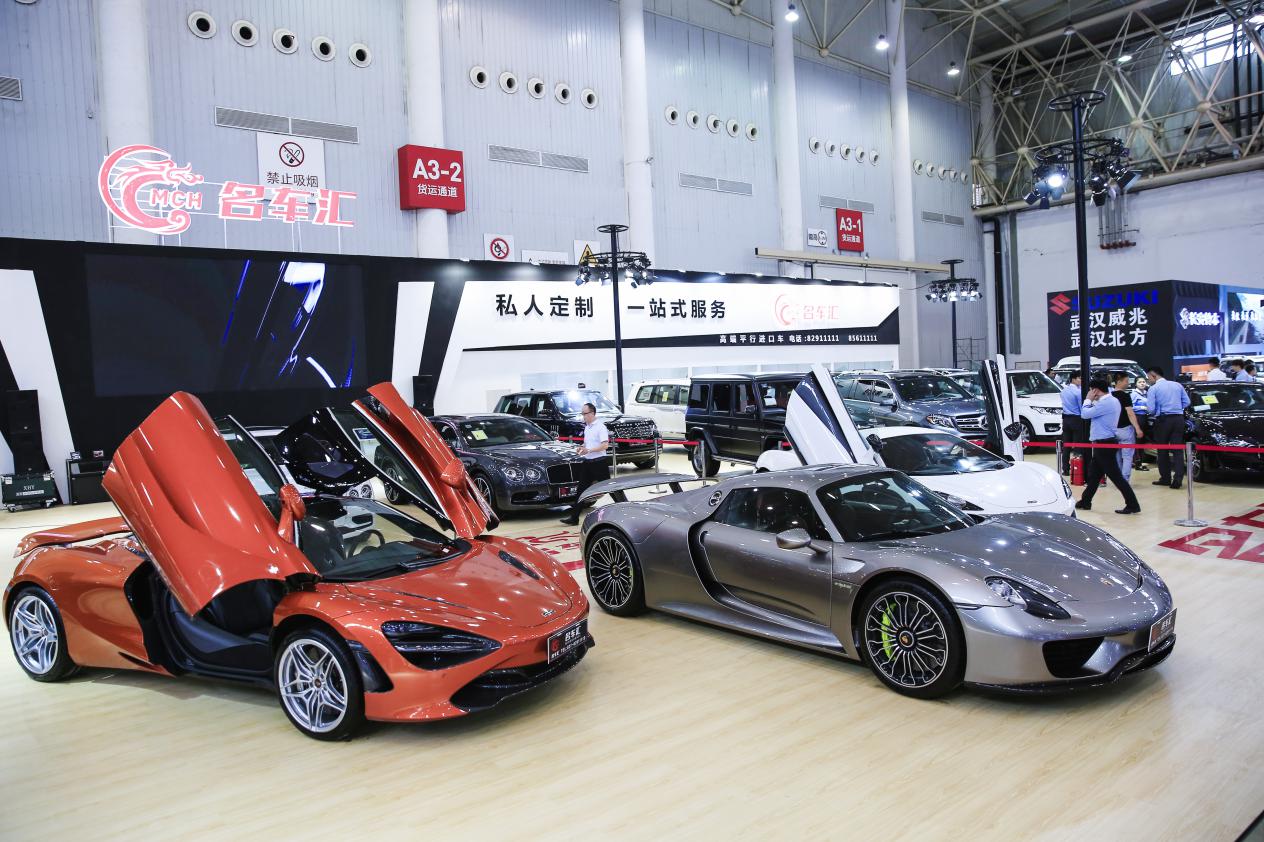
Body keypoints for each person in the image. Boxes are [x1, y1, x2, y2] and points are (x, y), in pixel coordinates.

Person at [1075, 376, 1141, 515]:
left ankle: (1133, 504)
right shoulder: (1112, 401)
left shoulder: (1106, 403)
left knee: (1116, 476)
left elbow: (1084, 414)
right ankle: (1085, 501)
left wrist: (1088, 399)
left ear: (1096, 390)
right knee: (1094, 475)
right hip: (1104, 443)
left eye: (1091, 390)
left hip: (1104, 444)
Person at [560, 402, 610, 525]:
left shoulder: (600, 427)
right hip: (588, 462)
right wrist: (582, 447)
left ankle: (626, 507)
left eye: (585, 413)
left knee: (611, 488)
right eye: (582, 413)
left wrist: (589, 450)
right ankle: (574, 518)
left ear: (592, 413)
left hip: (599, 463)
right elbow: (588, 443)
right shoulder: (587, 427)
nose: (583, 416)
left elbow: (605, 445)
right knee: (581, 490)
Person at [1146, 365, 1190, 489]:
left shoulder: (1153, 388)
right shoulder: (1177, 385)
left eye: (1149, 377)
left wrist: (1157, 411)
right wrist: (1177, 408)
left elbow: (1151, 409)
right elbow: (1187, 402)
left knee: (1162, 450)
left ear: (1154, 375)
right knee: (1177, 450)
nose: (1148, 379)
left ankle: (1165, 478)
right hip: (1178, 419)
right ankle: (1178, 479)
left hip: (1163, 420)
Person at [1111, 371, 1143, 483]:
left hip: (1113, 430)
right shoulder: (1125, 396)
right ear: (1119, 381)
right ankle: (1125, 480)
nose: (1128, 383)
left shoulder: (1109, 396)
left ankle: (1118, 480)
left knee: (1117, 456)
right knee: (1127, 456)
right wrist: (1137, 428)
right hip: (1125, 429)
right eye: (1126, 381)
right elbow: (1130, 413)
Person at [1058, 371, 1083, 475]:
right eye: (1079, 378)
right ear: (1073, 379)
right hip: (1076, 419)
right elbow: (1082, 408)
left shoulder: (1063, 391)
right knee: (1077, 445)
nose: (1081, 380)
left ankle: (1065, 469)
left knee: (1066, 446)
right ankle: (1076, 470)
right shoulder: (1078, 392)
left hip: (1066, 420)